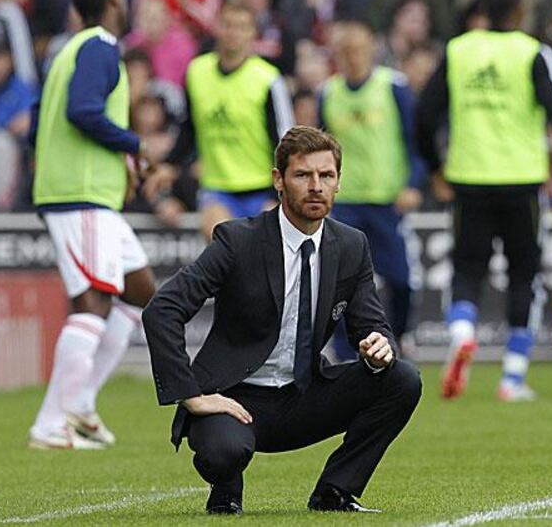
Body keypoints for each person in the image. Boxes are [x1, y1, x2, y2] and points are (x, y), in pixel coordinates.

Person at [142, 126, 422, 515]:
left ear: (339, 182)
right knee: (224, 451)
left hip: (305, 394)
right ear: (278, 180)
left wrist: (379, 349)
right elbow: (163, 309)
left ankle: (334, 492)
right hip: (234, 400)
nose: (316, 186)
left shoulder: (352, 245)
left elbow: (372, 325)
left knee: (402, 379)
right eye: (302, 175)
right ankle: (225, 488)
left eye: (326, 176)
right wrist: (192, 396)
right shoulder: (237, 240)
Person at [416, 0, 552, 401]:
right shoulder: (532, 53)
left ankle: (462, 333)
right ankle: (512, 377)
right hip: (521, 181)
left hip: (468, 178)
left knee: (468, 268)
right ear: (519, 13)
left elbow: (424, 114)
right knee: (524, 274)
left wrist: (436, 166)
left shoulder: (459, 50)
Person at [28, 0, 169, 450]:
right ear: (112, 2)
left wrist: (122, 160)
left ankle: (83, 406)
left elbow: (42, 123)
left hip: (90, 195)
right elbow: (83, 111)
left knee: (140, 292)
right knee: (91, 305)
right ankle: (52, 423)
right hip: (81, 197)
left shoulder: (70, 49)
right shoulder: (101, 46)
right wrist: (134, 144)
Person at [319, 21, 426, 357]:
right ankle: (344, 354)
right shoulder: (329, 93)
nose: (352, 57)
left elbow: (415, 142)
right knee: (339, 283)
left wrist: (412, 184)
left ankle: (396, 338)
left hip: (386, 201)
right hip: (345, 202)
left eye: (359, 50)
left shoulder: (392, 87)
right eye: (346, 51)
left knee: (400, 280)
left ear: (371, 51)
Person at [166, 0, 294, 239]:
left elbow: (285, 141)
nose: (233, 32)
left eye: (241, 26)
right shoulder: (197, 72)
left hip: (262, 187)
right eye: (227, 25)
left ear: (252, 33)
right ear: (216, 28)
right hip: (217, 188)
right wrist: (169, 165)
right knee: (221, 240)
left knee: (261, 253)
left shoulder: (268, 79)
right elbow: (188, 129)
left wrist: (278, 193)